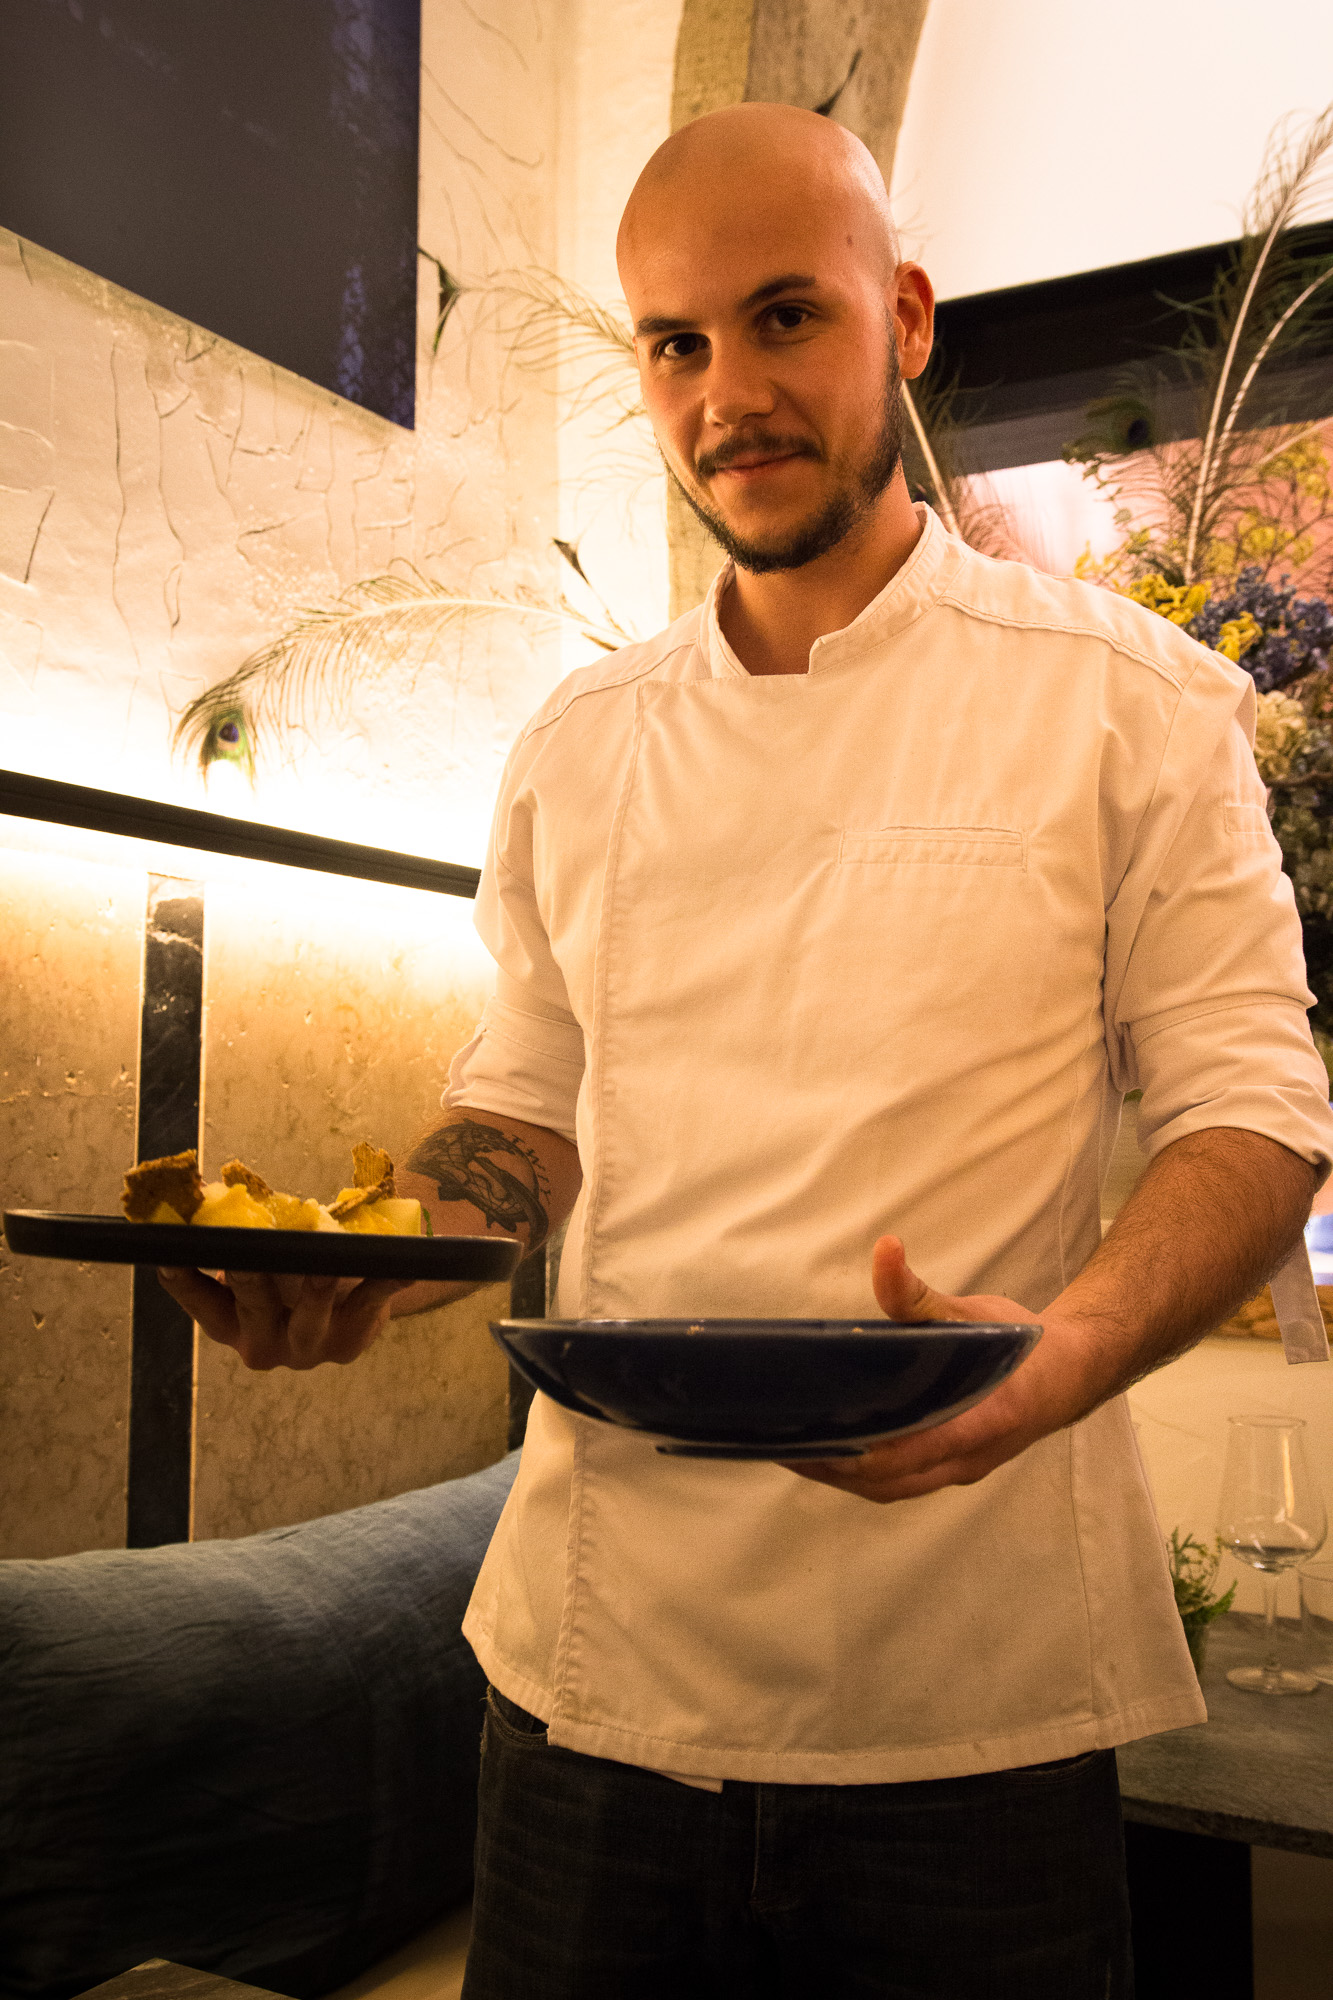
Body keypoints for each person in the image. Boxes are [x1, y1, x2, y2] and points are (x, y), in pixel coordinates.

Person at [162, 104, 1333, 1997]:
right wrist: (373, 1259)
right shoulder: (580, 743)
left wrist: (1064, 1354)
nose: (729, 394)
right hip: (596, 1692)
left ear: (906, 318)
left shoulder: (1133, 707)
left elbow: (1254, 1109)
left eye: (787, 317)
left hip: (975, 1709)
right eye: (676, 342)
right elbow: (522, 1108)